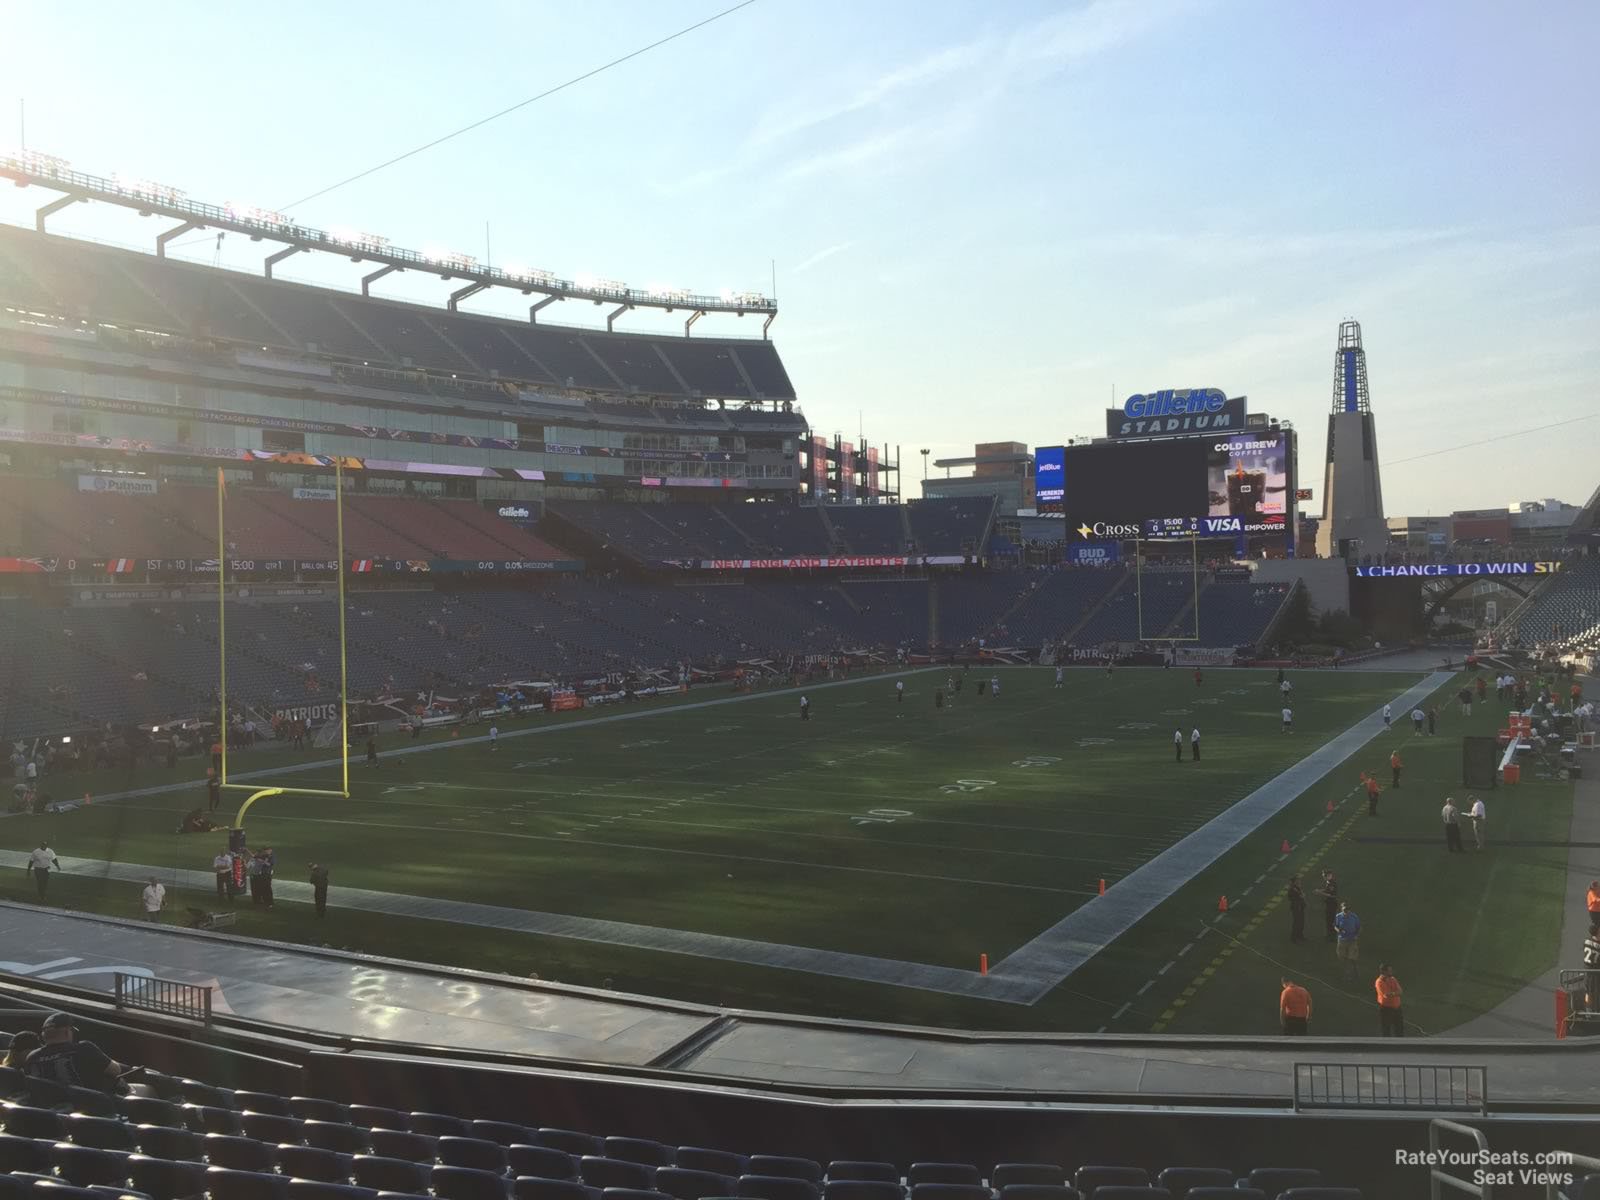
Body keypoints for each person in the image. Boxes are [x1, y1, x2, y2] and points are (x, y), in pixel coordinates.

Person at [24, 1012, 127, 1093]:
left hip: (49, 1107)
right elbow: (115, 1070)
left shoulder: (31, 1057)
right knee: (140, 1088)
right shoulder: (84, 1048)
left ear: (44, 1035)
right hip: (92, 1107)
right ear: (67, 1031)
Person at [1334, 901, 1361, 981]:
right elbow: (1336, 926)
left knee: (1351, 958)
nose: (1346, 911)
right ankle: (1347, 974)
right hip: (1342, 940)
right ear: (1342, 909)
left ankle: (1353, 973)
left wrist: (1356, 935)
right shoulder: (1338, 916)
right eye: (1344, 909)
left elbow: (1359, 927)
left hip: (1352, 940)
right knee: (1342, 958)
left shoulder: (1354, 917)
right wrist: (1338, 930)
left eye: (1347, 909)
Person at [1375, 963, 1404, 1036]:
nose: (1391, 972)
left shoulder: (1393, 979)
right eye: (1389, 971)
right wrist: (1395, 993)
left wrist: (1393, 993)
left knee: (1399, 1029)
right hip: (1386, 1009)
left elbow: (1400, 991)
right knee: (1386, 1030)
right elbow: (1386, 995)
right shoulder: (1379, 982)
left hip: (1397, 1008)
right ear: (1384, 972)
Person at [1317, 869, 1339, 942]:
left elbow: (1330, 895)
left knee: (1330, 920)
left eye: (1324, 876)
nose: (1323, 877)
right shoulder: (1329, 882)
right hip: (1330, 903)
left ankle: (1331, 936)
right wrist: (1320, 890)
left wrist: (1320, 893)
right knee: (1329, 920)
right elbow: (1327, 890)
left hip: (1331, 904)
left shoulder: (1331, 884)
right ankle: (1330, 935)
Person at [1287, 875, 1306, 943]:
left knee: (1301, 922)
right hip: (1296, 907)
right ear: (1294, 882)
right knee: (1297, 922)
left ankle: (1300, 935)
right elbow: (1294, 897)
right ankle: (1294, 937)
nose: (1299, 881)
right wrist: (1301, 895)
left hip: (1300, 907)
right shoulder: (1292, 889)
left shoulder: (1297, 887)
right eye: (1297, 880)